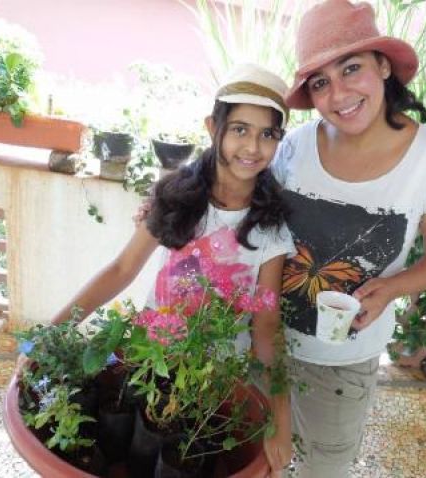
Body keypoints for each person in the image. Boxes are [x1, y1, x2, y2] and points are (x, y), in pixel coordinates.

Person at [48, 64, 295, 477]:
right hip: (150, 361)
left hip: (213, 382)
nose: (253, 146)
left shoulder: (270, 226)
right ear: (213, 127)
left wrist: (281, 420)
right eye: (239, 129)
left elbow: (266, 326)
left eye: (268, 134)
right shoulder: (179, 198)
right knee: (133, 455)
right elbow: (122, 269)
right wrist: (52, 332)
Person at [272, 1, 426, 476]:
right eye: (320, 82)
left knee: (323, 468)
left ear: (383, 65)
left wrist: (392, 288)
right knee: (255, 457)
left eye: (351, 68)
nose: (338, 94)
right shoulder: (294, 147)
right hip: (264, 342)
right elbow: (252, 217)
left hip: (343, 360)